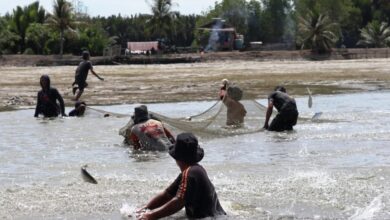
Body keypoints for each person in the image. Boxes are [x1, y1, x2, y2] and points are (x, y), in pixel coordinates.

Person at [136, 132, 226, 220]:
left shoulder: (190, 174)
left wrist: (151, 216)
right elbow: (167, 194)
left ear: (177, 158)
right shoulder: (193, 170)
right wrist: (146, 208)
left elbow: (179, 201)